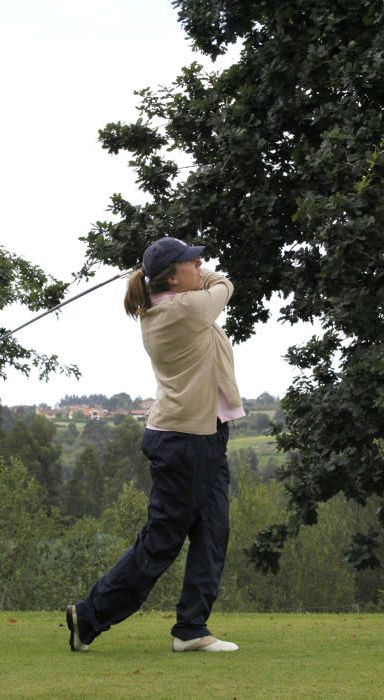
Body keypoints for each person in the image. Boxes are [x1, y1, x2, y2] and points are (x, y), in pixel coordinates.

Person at [66, 236, 245, 653]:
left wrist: (172, 273)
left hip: (207, 434)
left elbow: (206, 283)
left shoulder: (173, 304)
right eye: (189, 261)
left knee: (213, 531)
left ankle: (191, 629)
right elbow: (225, 285)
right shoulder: (184, 309)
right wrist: (202, 277)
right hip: (184, 442)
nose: (198, 263)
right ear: (171, 276)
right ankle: (88, 616)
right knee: (162, 541)